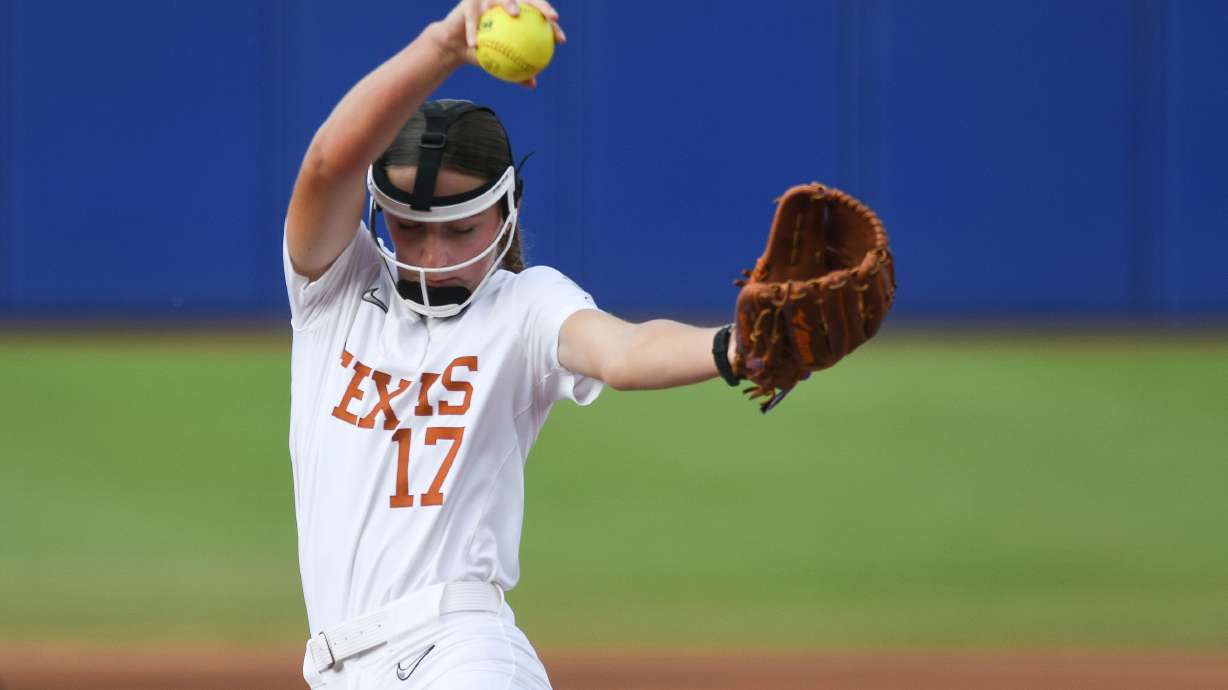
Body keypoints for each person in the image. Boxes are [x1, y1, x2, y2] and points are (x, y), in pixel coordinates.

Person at [283, 1, 740, 687]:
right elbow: (328, 162)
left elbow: (623, 352)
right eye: (411, 229)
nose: (434, 254)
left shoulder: (524, 306)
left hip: (460, 654)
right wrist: (442, 44)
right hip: (341, 668)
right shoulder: (335, 289)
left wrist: (733, 348)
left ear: (505, 211)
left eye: (462, 230)